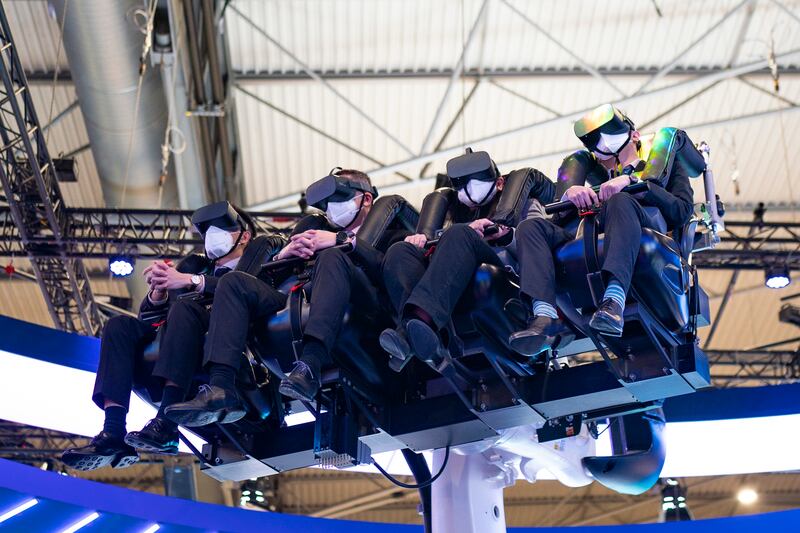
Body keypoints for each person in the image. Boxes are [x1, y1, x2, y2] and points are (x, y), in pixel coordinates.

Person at [166, 168, 409, 419]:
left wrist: (340, 240)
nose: (330, 209)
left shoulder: (394, 233)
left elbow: (389, 270)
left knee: (332, 256)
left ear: (366, 199)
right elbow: (270, 280)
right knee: (233, 282)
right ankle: (221, 385)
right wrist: (285, 255)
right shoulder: (313, 230)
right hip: (301, 295)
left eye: (337, 200)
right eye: (326, 205)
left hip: (365, 304)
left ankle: (310, 365)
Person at [61, 202, 279, 470]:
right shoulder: (195, 268)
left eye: (220, 229)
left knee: (185, 308)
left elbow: (250, 291)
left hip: (233, 336)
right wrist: (158, 294)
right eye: (206, 231)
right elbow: (151, 320)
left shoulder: (262, 261)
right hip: (180, 334)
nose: (211, 236)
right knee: (118, 327)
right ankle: (113, 431)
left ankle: (166, 425)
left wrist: (192, 282)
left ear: (244, 235)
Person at [509, 103, 697, 356]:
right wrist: (570, 195)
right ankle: (544, 317)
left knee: (620, 200)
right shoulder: (599, 181)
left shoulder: (665, 168)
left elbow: (682, 210)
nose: (606, 149)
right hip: (594, 234)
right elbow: (557, 221)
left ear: (635, 136)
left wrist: (633, 183)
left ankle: (614, 300)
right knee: (530, 227)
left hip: (647, 231)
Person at [379, 149, 548, 365]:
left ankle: (410, 329)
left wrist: (507, 236)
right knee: (399, 252)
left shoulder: (524, 204)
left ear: (499, 183)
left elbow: (539, 246)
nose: (468, 190)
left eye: (475, 182)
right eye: (461, 185)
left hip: (506, 272)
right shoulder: (451, 215)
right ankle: (422, 332)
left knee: (460, 234)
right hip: (453, 279)